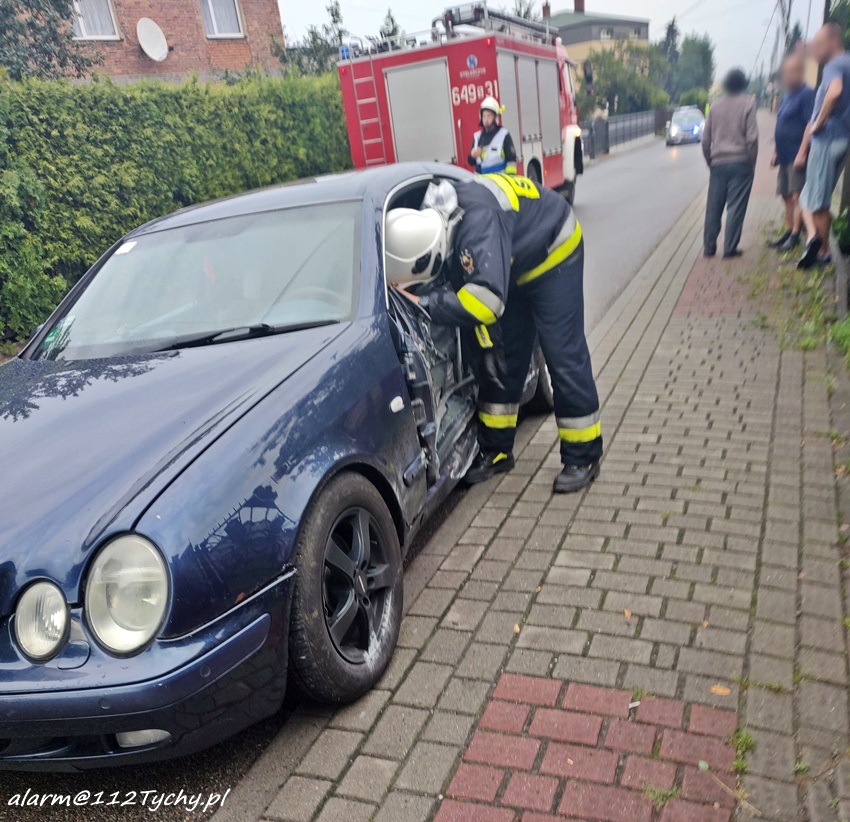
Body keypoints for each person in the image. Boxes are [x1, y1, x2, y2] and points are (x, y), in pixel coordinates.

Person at [386, 173, 602, 494]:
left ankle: (584, 455)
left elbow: (487, 303)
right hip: (511, 264)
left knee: (562, 352)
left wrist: (427, 303)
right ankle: (497, 450)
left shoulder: (477, 224)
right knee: (503, 356)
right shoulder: (430, 219)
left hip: (553, 251)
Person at [795, 21, 850, 269]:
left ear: (833, 41)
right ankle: (813, 241)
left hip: (826, 139)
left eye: (819, 45)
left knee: (818, 202)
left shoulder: (834, 65)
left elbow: (835, 91)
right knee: (811, 196)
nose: (816, 50)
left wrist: (818, 123)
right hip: (842, 138)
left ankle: (823, 253)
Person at [701, 68, 759, 258]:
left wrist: (710, 160)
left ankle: (709, 247)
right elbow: (752, 138)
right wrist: (752, 161)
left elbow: (705, 140)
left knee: (714, 207)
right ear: (743, 85)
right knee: (736, 206)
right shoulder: (748, 105)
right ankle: (729, 248)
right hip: (741, 162)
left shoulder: (715, 107)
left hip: (718, 163)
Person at [770, 53, 816, 251]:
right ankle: (789, 231)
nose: (788, 76)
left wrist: (802, 152)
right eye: (786, 72)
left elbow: (809, 123)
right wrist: (775, 152)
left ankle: (796, 235)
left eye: (792, 71)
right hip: (784, 154)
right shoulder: (788, 94)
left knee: (797, 195)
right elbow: (781, 122)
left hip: (797, 154)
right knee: (785, 195)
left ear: (801, 72)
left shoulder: (806, 93)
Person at [468, 97, 518, 175]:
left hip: (500, 179)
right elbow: (471, 162)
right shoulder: (477, 137)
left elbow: (511, 160)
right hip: (483, 180)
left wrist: (509, 178)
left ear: (495, 117)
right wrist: (472, 156)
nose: (486, 119)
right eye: (484, 116)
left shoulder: (503, 135)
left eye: (489, 116)